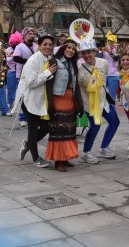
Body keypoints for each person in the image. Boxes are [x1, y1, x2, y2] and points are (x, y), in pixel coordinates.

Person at [15, 34, 57, 168]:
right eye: (45, 44)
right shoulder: (33, 60)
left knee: (45, 127)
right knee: (33, 129)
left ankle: (28, 144)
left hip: (41, 99)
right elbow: (32, 82)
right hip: (28, 98)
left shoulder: (49, 59)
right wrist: (48, 73)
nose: (47, 47)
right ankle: (36, 159)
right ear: (39, 46)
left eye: (50, 45)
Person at [78, 39, 120, 163]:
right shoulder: (80, 70)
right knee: (95, 125)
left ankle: (104, 148)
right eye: (83, 53)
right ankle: (86, 153)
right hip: (89, 103)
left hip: (103, 101)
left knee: (115, 122)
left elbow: (104, 80)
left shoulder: (103, 63)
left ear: (95, 51)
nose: (86, 55)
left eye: (89, 52)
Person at [45, 38, 83, 171]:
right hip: (58, 99)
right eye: (69, 48)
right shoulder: (54, 61)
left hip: (70, 100)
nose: (71, 50)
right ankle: (58, 160)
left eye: (73, 49)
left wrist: (80, 104)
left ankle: (65, 157)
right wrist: (50, 104)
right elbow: (48, 83)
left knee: (69, 129)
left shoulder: (73, 64)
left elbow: (76, 85)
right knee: (58, 130)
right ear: (63, 48)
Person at [13, 27, 39, 127]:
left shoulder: (36, 46)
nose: (31, 35)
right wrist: (28, 62)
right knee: (23, 96)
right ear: (24, 36)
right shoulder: (20, 46)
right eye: (29, 33)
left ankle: (32, 116)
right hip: (22, 75)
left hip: (34, 74)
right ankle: (22, 117)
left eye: (33, 33)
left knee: (32, 96)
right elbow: (15, 58)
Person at [6, 31, 23, 110]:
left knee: (19, 88)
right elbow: (8, 60)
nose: (15, 44)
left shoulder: (20, 48)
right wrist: (13, 57)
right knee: (11, 88)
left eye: (17, 42)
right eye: (14, 42)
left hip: (20, 71)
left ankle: (17, 102)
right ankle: (10, 102)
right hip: (12, 71)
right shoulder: (8, 50)